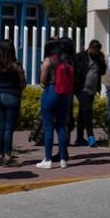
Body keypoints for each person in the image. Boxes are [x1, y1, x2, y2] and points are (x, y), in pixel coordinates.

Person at [37, 37, 75, 169]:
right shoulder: (68, 61)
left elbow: (42, 79)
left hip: (51, 92)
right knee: (61, 127)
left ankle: (48, 159)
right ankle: (63, 159)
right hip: (65, 96)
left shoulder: (49, 60)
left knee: (48, 127)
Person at [0, 40, 25, 165]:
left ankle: (1, 154)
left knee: (0, 127)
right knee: (8, 128)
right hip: (12, 95)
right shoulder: (16, 66)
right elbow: (23, 83)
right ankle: (7, 155)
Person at [73, 40, 106, 147]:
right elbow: (76, 70)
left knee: (83, 112)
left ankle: (79, 138)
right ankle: (90, 136)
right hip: (81, 88)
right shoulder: (80, 57)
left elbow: (102, 72)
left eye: (98, 50)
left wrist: (102, 60)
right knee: (87, 111)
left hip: (92, 89)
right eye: (95, 49)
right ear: (90, 48)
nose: (96, 52)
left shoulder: (98, 59)